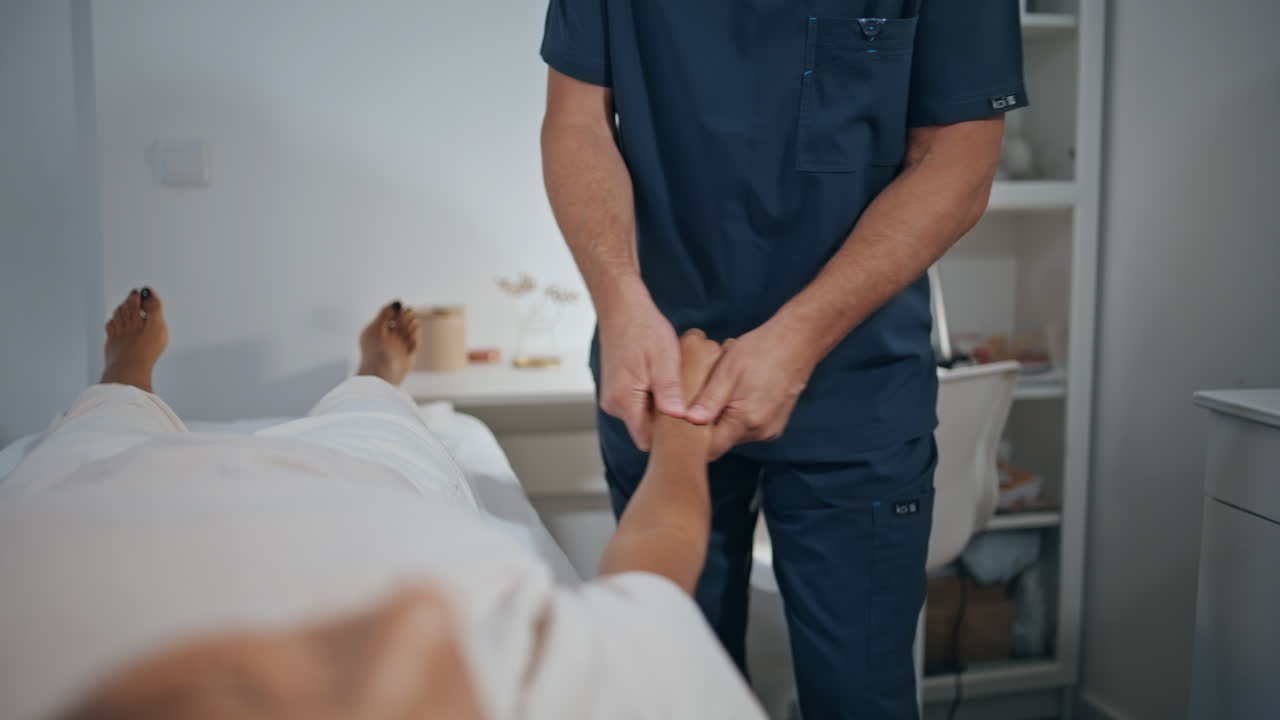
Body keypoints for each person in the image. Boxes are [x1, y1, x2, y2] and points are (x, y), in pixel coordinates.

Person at [540, 0, 1026, 716]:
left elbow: (959, 160)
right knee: (670, 680)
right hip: (666, 373)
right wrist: (619, 298)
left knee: (860, 698)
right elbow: (577, 120)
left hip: (856, 383)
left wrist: (798, 339)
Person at [0, 288, 766, 720]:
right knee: (370, 414)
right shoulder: (574, 695)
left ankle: (127, 371)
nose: (419, 614)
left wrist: (680, 416)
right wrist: (683, 418)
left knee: (102, 422)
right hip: (356, 481)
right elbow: (658, 556)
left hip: (91, 499)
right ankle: (377, 372)